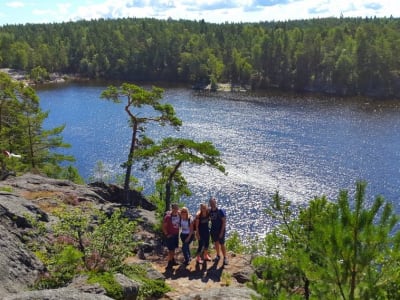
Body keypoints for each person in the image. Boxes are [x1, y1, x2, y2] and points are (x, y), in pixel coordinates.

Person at [209, 197, 228, 265]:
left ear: (215, 202)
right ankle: (218, 255)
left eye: (213, 203)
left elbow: (224, 222)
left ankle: (225, 257)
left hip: (220, 230)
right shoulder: (210, 211)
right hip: (214, 230)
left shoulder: (220, 211)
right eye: (211, 203)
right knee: (216, 242)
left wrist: (221, 232)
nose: (212, 204)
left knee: (222, 243)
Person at [162, 203, 180, 268]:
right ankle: (169, 263)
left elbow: (186, 215)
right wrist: (167, 234)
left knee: (174, 248)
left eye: (177, 208)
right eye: (174, 208)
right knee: (170, 250)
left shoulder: (178, 215)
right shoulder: (168, 217)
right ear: (172, 209)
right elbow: (164, 227)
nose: (176, 209)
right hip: (170, 235)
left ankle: (173, 260)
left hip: (176, 234)